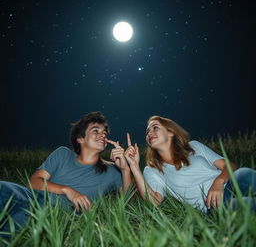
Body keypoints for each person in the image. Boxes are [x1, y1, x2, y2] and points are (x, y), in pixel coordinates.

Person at [0, 111, 132, 236]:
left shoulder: (111, 170)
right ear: (80, 138)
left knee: (11, 231)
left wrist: (125, 169)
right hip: (33, 197)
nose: (103, 135)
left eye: (104, 133)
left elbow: (129, 202)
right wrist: (67, 190)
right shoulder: (63, 154)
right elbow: (33, 182)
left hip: (61, 212)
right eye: (95, 131)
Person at [124, 115, 256, 212]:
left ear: (170, 132)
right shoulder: (152, 169)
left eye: (155, 128)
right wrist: (134, 166)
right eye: (147, 132)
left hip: (229, 183)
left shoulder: (194, 146)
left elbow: (230, 166)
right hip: (212, 204)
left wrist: (219, 182)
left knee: (245, 173)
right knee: (246, 205)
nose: (149, 133)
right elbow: (154, 202)